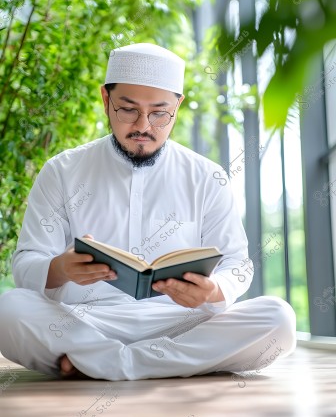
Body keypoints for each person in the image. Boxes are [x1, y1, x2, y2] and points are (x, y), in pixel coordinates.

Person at [0, 43, 296, 380]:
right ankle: (156, 362)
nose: (144, 126)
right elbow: (26, 263)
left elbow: (239, 265)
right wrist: (61, 269)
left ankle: (105, 362)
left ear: (178, 106)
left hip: (181, 322)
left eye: (159, 113)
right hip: (86, 321)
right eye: (128, 110)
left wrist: (214, 290)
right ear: (105, 99)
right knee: (8, 310)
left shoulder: (206, 176)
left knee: (279, 318)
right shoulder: (62, 170)